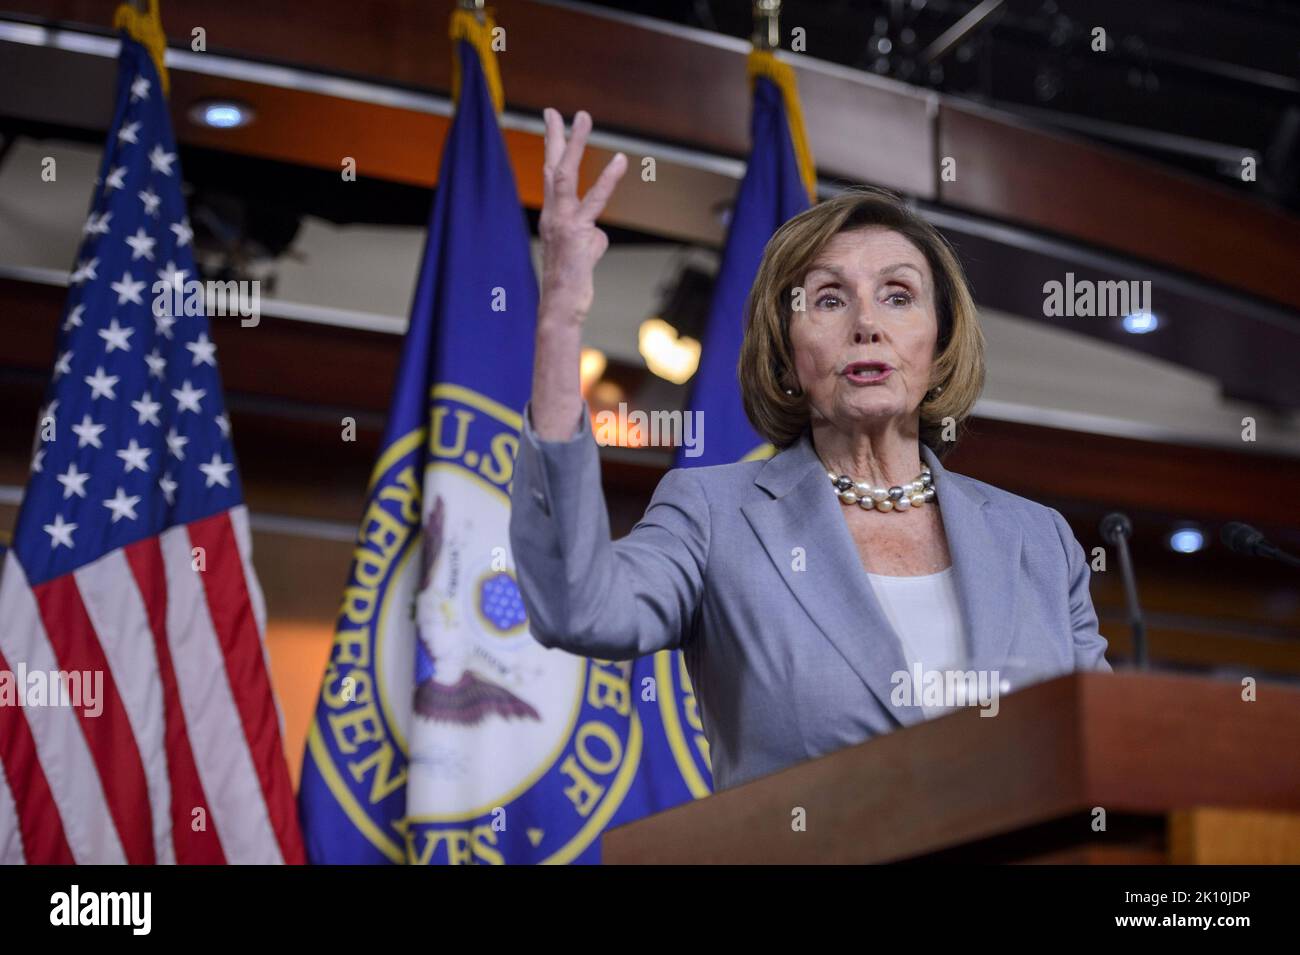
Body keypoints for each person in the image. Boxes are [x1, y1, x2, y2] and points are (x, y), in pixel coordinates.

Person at [509, 108, 1111, 792]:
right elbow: (578, 607)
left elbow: (1106, 748)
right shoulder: (715, 515)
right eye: (828, 300)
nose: (866, 325)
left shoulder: (1038, 540)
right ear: (789, 359)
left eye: (898, 296)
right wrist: (559, 318)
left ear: (940, 350)